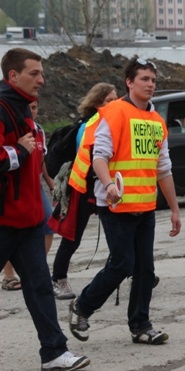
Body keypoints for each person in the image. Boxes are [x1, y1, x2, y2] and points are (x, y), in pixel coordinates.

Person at [67, 57, 181, 345]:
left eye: (153, 80)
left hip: (145, 207)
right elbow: (99, 157)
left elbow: (163, 168)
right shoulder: (114, 113)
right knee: (122, 264)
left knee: (146, 269)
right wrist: (108, 185)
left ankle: (141, 325)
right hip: (115, 206)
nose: (151, 84)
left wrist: (175, 210)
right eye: (144, 79)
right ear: (129, 82)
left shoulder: (157, 122)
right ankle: (82, 307)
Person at [0, 47, 90, 371]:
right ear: (13, 76)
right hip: (3, 220)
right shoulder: (2, 110)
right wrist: (18, 152)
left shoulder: (24, 112)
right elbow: (8, 157)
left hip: (27, 223)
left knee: (40, 287)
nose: (42, 79)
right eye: (34, 73)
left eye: (42, 72)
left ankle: (54, 353)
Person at [50, 83, 118, 300]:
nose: (115, 104)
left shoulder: (112, 123)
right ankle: (57, 278)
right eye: (109, 100)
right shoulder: (87, 127)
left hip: (105, 185)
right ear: (97, 103)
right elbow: (87, 157)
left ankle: (135, 271)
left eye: (116, 99)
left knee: (119, 232)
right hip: (84, 188)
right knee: (73, 237)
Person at [2, 100, 55, 291]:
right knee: (9, 234)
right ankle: (9, 276)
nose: (32, 111)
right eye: (29, 108)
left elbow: (41, 161)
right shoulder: (13, 126)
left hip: (35, 185)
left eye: (35, 108)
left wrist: (51, 184)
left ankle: (35, 267)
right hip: (14, 186)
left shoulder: (38, 130)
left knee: (49, 223)